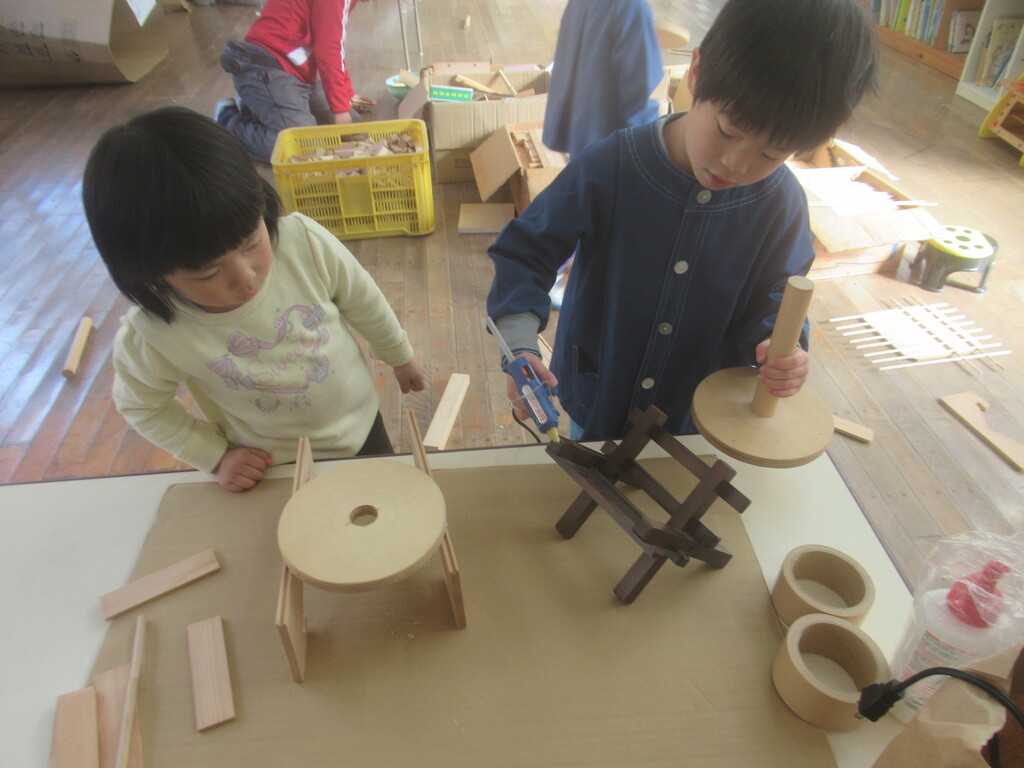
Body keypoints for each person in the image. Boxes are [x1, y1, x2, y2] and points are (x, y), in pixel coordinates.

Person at [487, 0, 878, 442]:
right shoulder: (610, 166)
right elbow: (526, 251)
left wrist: (779, 346)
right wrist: (519, 343)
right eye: (728, 131)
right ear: (697, 72)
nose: (736, 164)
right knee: (590, 474)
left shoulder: (780, 203)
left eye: (771, 153)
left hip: (699, 414)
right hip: (599, 394)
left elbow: (778, 293)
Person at [82, 106, 426, 492]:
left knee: (382, 505)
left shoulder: (303, 242)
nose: (246, 277)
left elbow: (363, 299)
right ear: (146, 271)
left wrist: (398, 353)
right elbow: (142, 407)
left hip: (361, 426)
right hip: (273, 463)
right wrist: (214, 455)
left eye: (251, 243)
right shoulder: (153, 335)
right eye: (209, 273)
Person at [542, 0, 665, 307]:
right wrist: (655, 148)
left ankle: (550, 273)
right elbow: (639, 89)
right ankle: (553, 274)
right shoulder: (632, 7)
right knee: (601, 213)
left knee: (584, 203)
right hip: (611, 133)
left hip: (584, 120)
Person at [216, 0, 372, 163]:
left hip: (292, 75)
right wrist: (340, 109)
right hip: (265, 68)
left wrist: (347, 95)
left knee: (352, 122)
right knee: (303, 146)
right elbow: (328, 51)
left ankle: (255, 106)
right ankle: (228, 121)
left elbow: (334, 48)